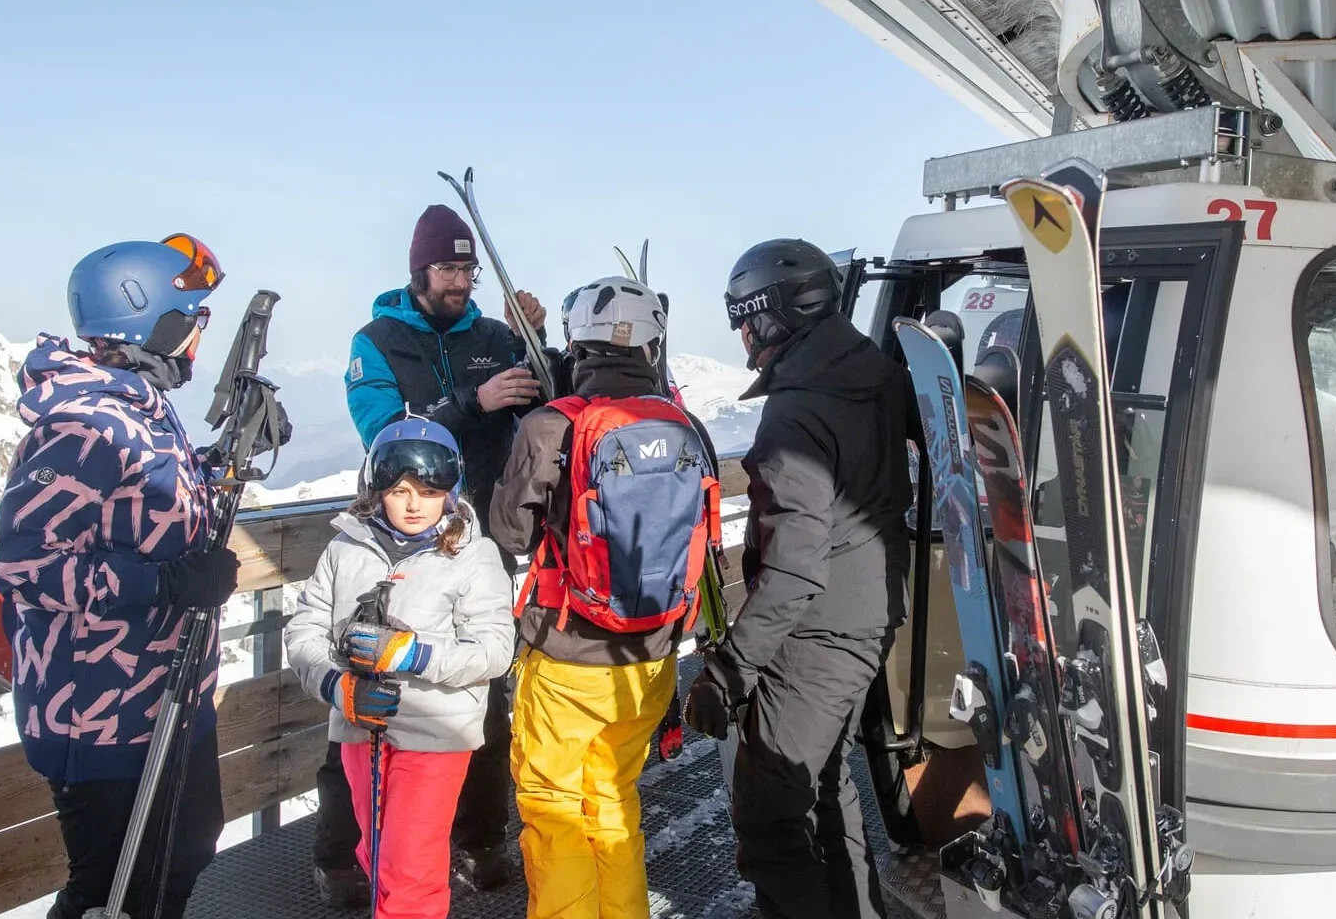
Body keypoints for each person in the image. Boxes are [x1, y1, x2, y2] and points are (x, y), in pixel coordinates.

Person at [0, 234, 242, 919]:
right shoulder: (80, 426)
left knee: (181, 858)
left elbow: (139, 510)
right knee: (113, 892)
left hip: (164, 695)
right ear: (149, 319)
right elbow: (27, 566)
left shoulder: (137, 408)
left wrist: (218, 467)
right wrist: (163, 584)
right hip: (99, 713)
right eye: (191, 317)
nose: (198, 333)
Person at [314, 203, 546, 902]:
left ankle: (478, 842)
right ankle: (345, 857)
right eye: (448, 267)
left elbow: (547, 401)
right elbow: (382, 432)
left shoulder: (494, 335)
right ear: (419, 270)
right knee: (364, 694)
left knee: (479, 695)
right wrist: (473, 402)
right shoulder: (377, 341)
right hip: (394, 540)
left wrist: (534, 340)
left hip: (475, 542)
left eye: (467, 268)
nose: (460, 281)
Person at [686, 239, 913, 919]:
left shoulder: (795, 415)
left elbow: (793, 565)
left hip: (818, 630)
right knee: (819, 786)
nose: (745, 339)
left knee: (770, 809)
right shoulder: (872, 372)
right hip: (868, 608)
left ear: (775, 315)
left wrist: (729, 671)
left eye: (747, 322)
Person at [489, 276, 720, 919]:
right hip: (651, 657)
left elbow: (509, 530)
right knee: (614, 799)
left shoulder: (551, 425)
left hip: (567, 652)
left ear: (576, 342)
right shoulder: (686, 424)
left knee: (553, 808)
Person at [285, 419, 515, 919]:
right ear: (377, 490)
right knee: (377, 850)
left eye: (430, 492)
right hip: (358, 725)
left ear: (450, 494)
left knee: (410, 865)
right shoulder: (345, 549)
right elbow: (304, 633)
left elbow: (494, 650)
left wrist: (411, 654)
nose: (414, 505)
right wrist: (338, 685)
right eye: (401, 491)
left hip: (436, 732)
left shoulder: (474, 558)